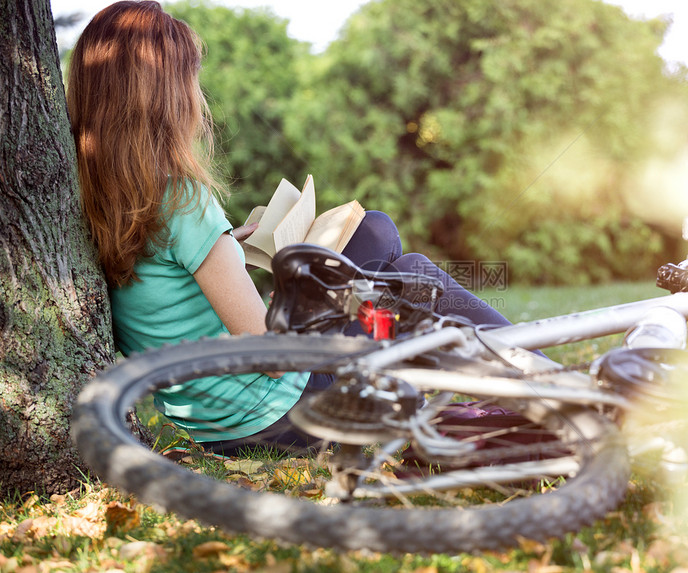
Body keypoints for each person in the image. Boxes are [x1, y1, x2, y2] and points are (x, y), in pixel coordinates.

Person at [67, 1, 511, 456]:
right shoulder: (183, 202)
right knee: (395, 256)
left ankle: (401, 338)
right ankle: (531, 375)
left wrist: (226, 247)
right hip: (282, 408)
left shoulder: (92, 204)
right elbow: (273, 359)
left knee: (382, 263)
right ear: (165, 100)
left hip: (218, 425)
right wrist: (290, 307)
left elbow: (164, 290)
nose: (198, 98)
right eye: (191, 83)